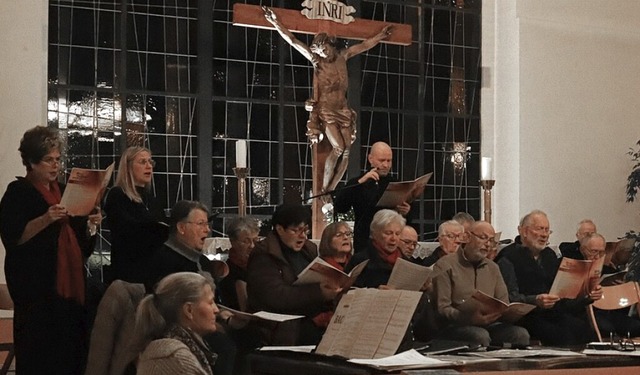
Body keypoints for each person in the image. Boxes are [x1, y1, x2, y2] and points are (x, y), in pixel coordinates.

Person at [0, 126, 102, 374]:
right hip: (37, 293)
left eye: (58, 160)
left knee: (70, 356)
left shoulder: (66, 191)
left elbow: (81, 247)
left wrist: (90, 225)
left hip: (69, 290)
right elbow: (13, 239)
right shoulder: (18, 193)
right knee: (40, 359)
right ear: (32, 163)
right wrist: (46, 219)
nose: (55, 166)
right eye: (48, 160)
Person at [263, 6, 392, 196]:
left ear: (330, 45)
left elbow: (364, 45)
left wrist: (380, 36)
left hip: (344, 109)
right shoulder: (318, 61)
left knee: (347, 151)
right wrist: (275, 22)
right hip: (327, 110)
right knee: (338, 148)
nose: (324, 53)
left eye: (325, 49)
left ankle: (333, 188)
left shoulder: (343, 56)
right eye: (320, 51)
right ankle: (326, 188)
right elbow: (293, 40)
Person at [145, 200, 237, 375]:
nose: (207, 229)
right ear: (181, 227)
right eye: (201, 224)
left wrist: (226, 316)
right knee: (225, 345)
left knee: (251, 336)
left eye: (207, 224)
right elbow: (174, 310)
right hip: (177, 328)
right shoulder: (165, 261)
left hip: (202, 320)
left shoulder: (200, 259)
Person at [496, 210, 601, 346]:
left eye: (547, 230)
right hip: (526, 316)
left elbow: (562, 296)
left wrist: (587, 295)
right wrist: (536, 300)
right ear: (523, 231)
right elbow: (509, 299)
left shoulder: (549, 256)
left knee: (585, 330)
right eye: (540, 229)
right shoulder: (508, 257)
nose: (544, 235)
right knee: (562, 335)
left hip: (552, 313)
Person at [246, 204, 342, 345]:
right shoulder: (264, 255)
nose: (302, 236)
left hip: (309, 317)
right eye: (296, 230)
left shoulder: (308, 250)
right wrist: (318, 292)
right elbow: (275, 296)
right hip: (279, 325)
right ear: (279, 229)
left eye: (305, 230)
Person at [430, 221, 530, 347]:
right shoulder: (445, 265)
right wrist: (468, 318)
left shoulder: (493, 267)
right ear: (467, 237)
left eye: (491, 240)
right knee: (480, 336)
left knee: (521, 334)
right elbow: (442, 308)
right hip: (456, 325)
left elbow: (503, 301)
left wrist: (510, 312)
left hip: (490, 323)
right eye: (483, 238)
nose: (487, 244)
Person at [104, 146, 169, 284]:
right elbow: (127, 232)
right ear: (128, 167)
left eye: (150, 162)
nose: (148, 166)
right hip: (129, 273)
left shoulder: (152, 200)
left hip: (153, 272)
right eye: (142, 162)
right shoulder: (118, 195)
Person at [133, 272, 219, 375]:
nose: (216, 310)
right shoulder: (176, 359)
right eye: (210, 302)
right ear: (189, 310)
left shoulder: (170, 351)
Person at [334, 142, 411, 252]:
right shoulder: (358, 182)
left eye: (389, 161)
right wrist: (360, 182)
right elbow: (340, 206)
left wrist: (406, 211)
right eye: (382, 160)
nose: (386, 165)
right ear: (371, 159)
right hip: (365, 242)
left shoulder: (396, 183)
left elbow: (407, 218)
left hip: (392, 244)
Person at [565, 233, 640, 338]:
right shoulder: (574, 269)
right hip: (582, 311)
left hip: (608, 311)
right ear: (583, 250)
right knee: (605, 328)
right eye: (594, 251)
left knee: (635, 326)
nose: (597, 256)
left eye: (601, 252)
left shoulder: (608, 270)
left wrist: (618, 287)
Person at [346, 209, 405, 288]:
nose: (393, 238)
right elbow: (347, 291)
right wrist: (374, 291)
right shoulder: (360, 261)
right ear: (374, 234)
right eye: (388, 233)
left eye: (397, 234)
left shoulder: (406, 261)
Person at [218, 216, 260, 312]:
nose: (252, 246)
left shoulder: (261, 264)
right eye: (246, 241)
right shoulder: (228, 272)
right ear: (233, 242)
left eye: (255, 240)